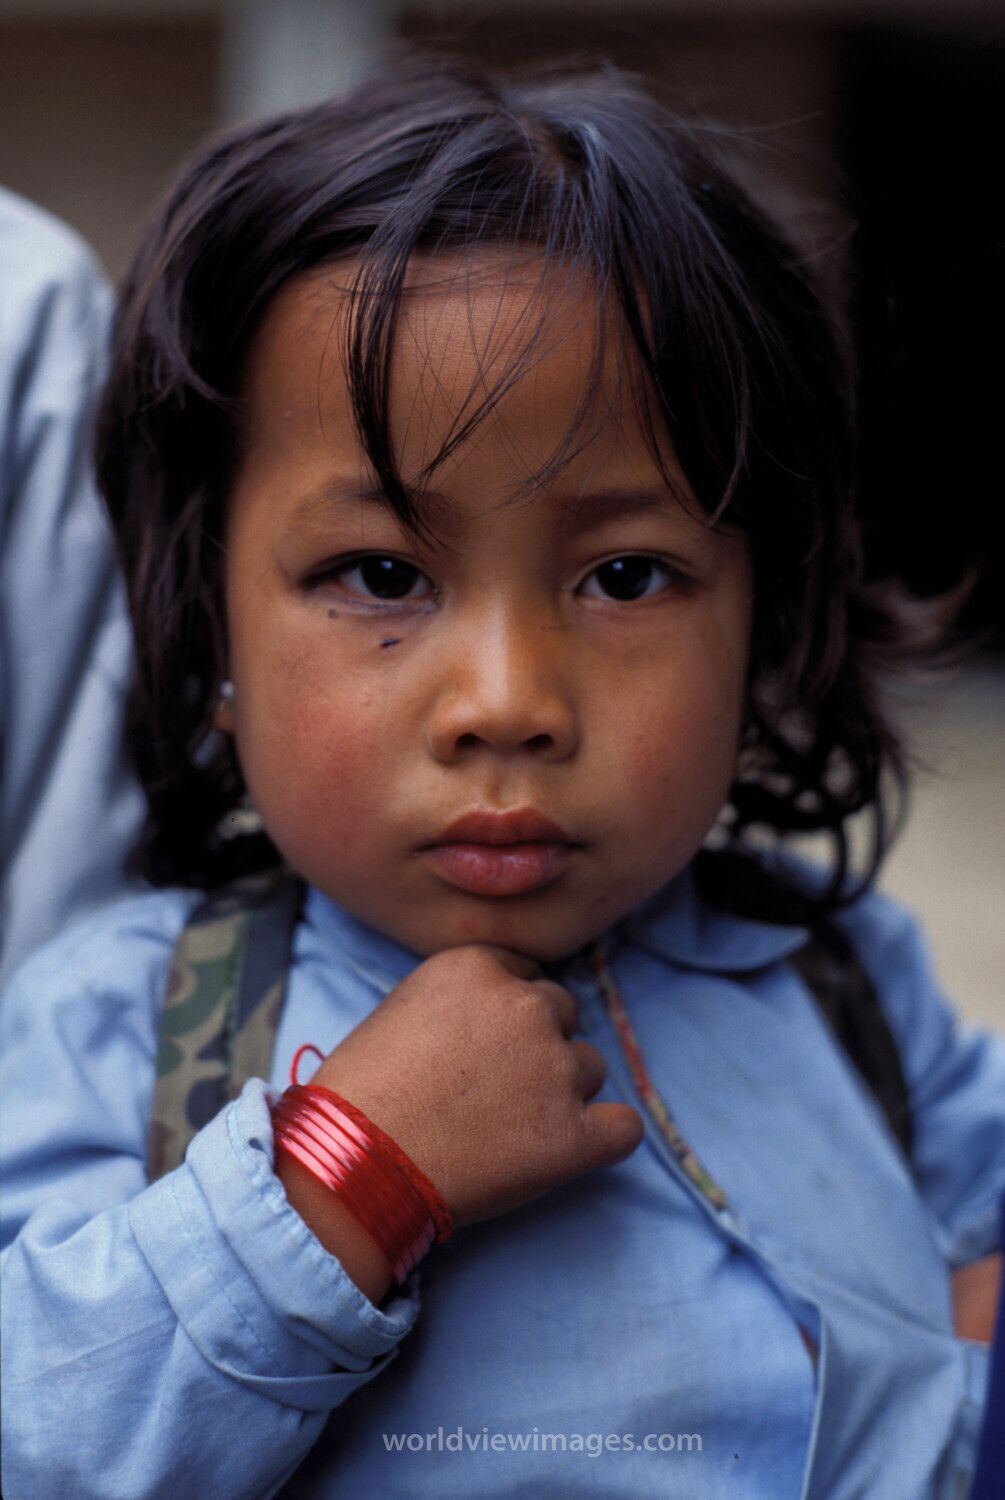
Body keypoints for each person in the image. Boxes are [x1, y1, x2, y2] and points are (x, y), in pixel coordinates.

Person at [1, 60, 1002, 1499]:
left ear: (766, 619)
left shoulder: (845, 985)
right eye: (382, 574)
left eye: (624, 576)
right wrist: (349, 1178)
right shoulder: (130, 1023)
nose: (507, 703)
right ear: (211, 625)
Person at [0, 189, 144, 989]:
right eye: (387, 577)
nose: (500, 703)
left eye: (608, 579)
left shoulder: (27, 304)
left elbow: (61, 903)